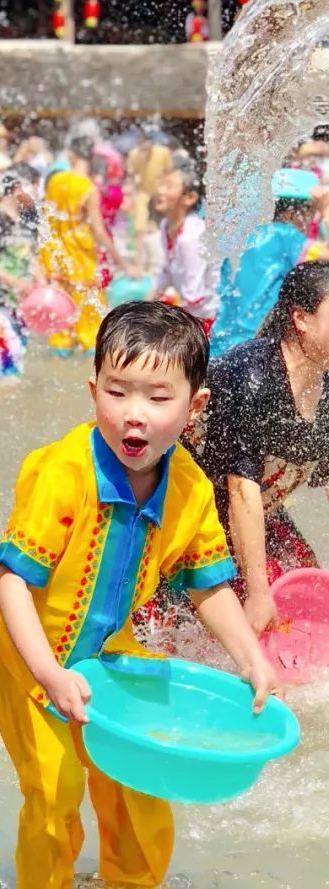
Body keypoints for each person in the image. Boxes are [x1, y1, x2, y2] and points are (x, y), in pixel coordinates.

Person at [0, 302, 275, 889]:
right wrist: (48, 673)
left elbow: (207, 584)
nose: (133, 413)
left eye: (158, 397)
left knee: (139, 781)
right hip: (30, 649)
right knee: (55, 791)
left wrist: (251, 657)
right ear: (94, 392)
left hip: (108, 648)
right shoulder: (65, 473)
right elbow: (12, 583)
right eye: (117, 392)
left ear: (195, 407)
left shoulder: (190, 488)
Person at [186, 262, 329, 635]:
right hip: (189, 517)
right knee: (197, 630)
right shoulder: (250, 375)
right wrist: (257, 592)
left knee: (308, 599)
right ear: (301, 319)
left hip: (257, 515)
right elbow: (240, 490)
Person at [211, 168, 324, 357]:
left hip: (220, 344)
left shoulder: (245, 234)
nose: (310, 222)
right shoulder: (286, 237)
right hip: (254, 347)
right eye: (310, 214)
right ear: (292, 214)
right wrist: (326, 208)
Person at [41, 134, 126, 354]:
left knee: (60, 320)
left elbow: (46, 222)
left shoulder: (55, 181)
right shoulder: (88, 188)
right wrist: (121, 260)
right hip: (83, 262)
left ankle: (60, 351)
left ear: (71, 155)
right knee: (91, 329)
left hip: (57, 260)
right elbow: (98, 230)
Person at [0, 165, 41, 380]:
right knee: (10, 358)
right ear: (17, 186)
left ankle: (1, 394)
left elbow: (33, 257)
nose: (37, 192)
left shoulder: (29, 220)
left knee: (14, 362)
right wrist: (15, 282)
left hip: (19, 302)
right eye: (34, 186)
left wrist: (41, 281)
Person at [151, 167, 219, 329]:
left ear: (189, 198)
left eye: (168, 186)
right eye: (160, 185)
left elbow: (194, 296)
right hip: (190, 312)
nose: (160, 191)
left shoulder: (191, 236)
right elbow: (166, 272)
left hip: (208, 319)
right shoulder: (166, 226)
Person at [127, 127, 172, 274]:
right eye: (141, 143)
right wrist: (131, 194)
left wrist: (166, 192)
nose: (143, 147)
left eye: (146, 144)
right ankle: (138, 264)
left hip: (160, 192)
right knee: (139, 227)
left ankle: (169, 260)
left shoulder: (163, 153)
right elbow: (131, 176)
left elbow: (168, 174)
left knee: (167, 225)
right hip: (144, 192)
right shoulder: (134, 154)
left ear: (151, 143)